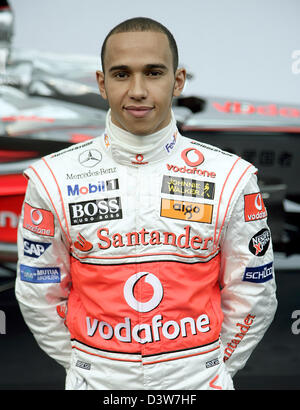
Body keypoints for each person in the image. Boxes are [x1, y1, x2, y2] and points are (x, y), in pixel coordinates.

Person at [15, 17, 277, 390]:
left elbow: (254, 291)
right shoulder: (53, 178)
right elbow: (39, 291)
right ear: (102, 84)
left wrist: (212, 369)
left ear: (178, 80)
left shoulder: (230, 177)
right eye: (121, 75)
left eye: (153, 73)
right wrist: (88, 367)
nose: (137, 90)